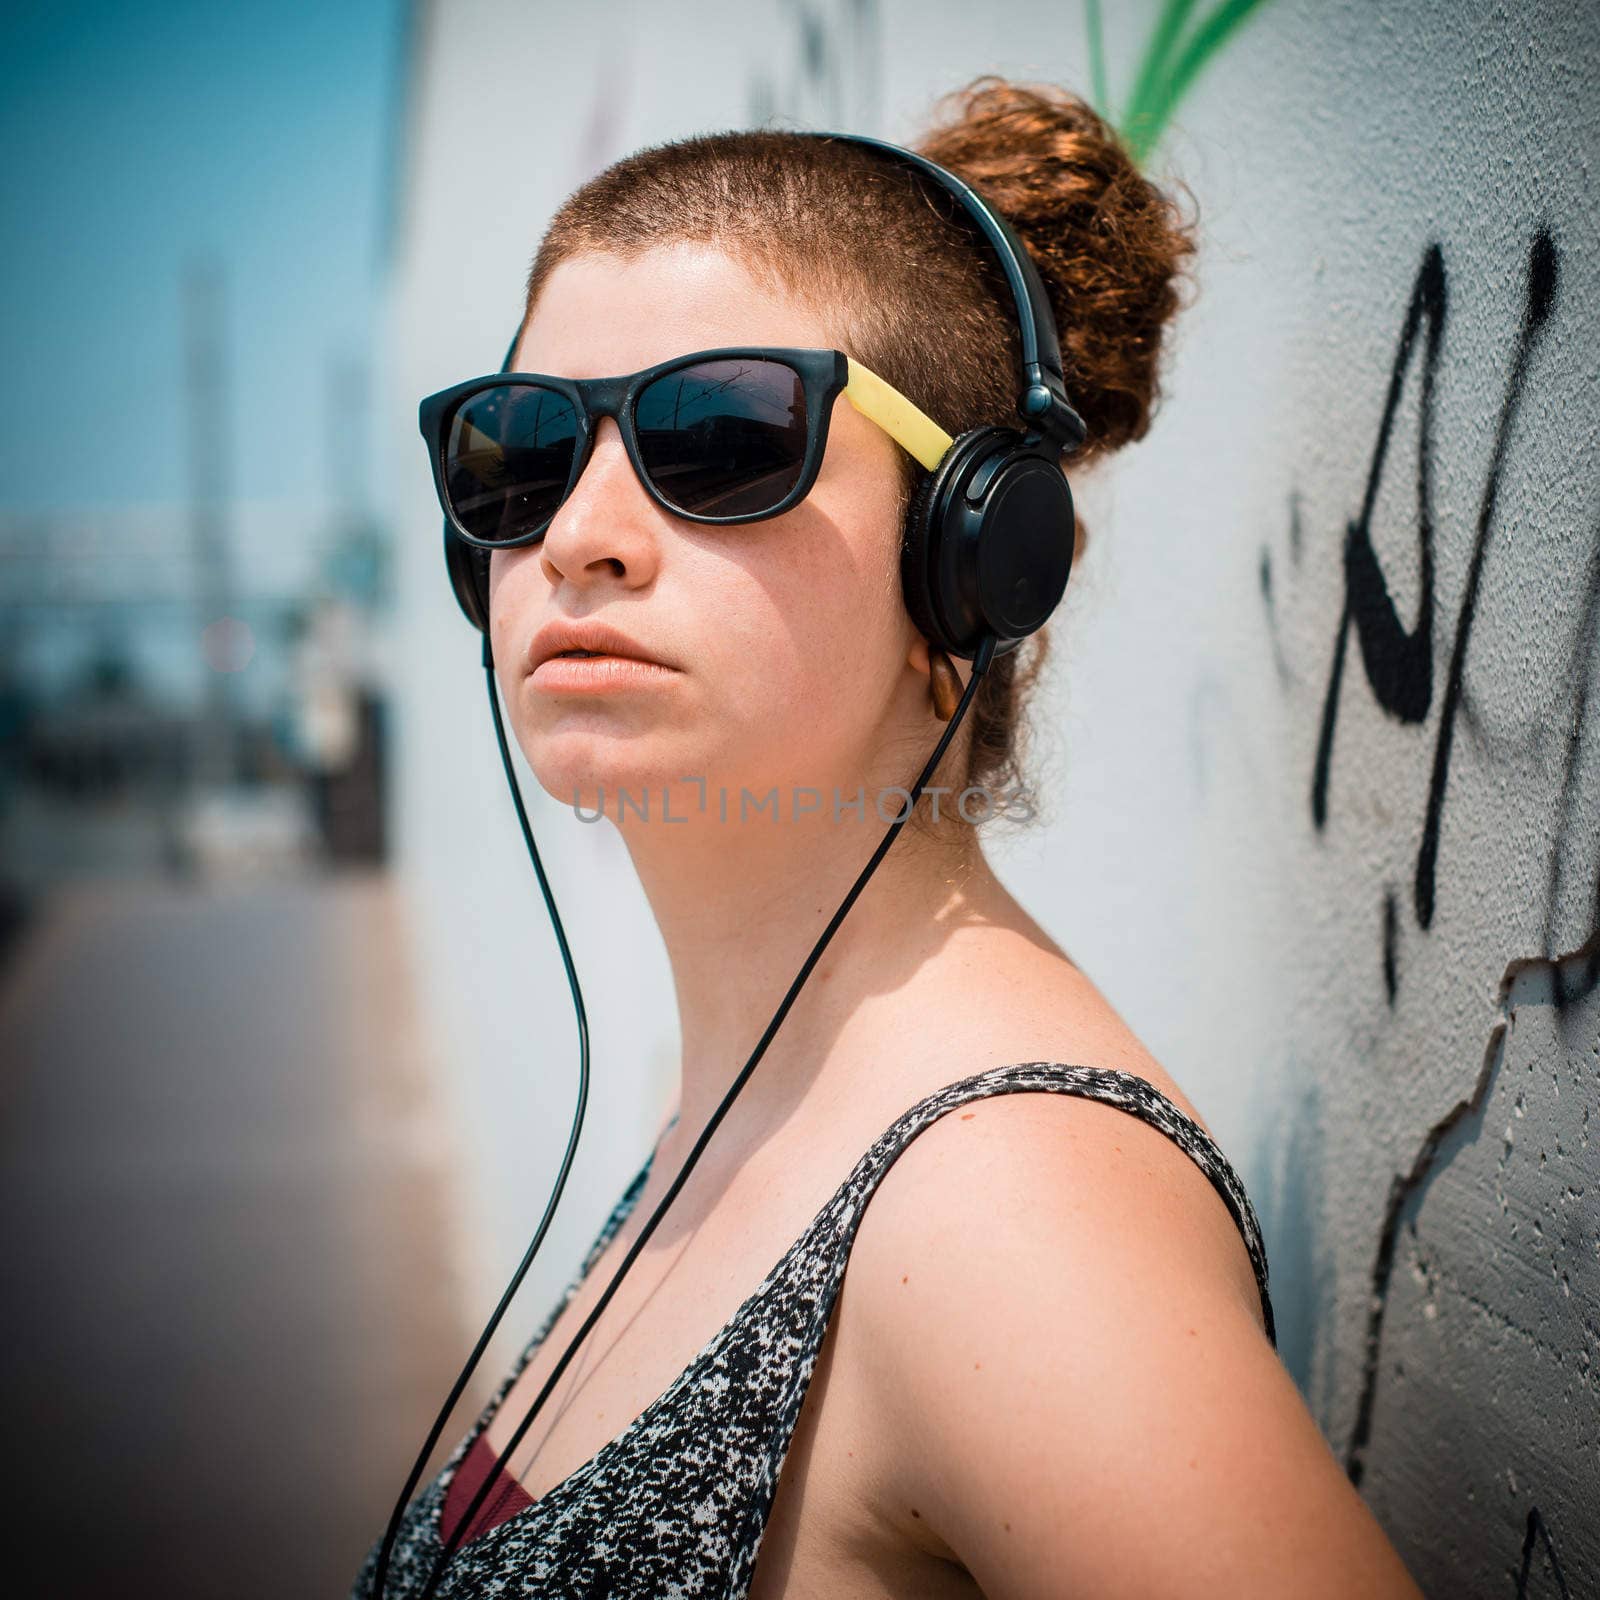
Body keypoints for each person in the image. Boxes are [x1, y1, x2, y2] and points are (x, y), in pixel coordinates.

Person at [356, 77, 1424, 1599]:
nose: (578, 531)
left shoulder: (1009, 1203)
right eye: (518, 448)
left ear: (972, 560)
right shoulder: (752, 1095)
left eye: (720, 434)